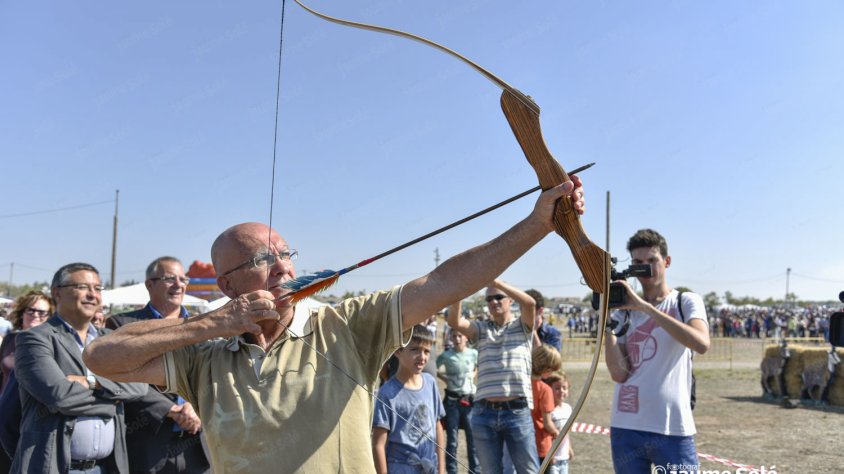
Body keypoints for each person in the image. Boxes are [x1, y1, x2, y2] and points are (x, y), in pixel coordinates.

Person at [83, 177, 585, 473]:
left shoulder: (346, 324)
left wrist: (538, 223)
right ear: (229, 283)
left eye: (286, 255)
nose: (283, 268)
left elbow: (441, 282)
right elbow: (100, 357)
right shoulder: (204, 352)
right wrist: (216, 323)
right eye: (263, 259)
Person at [13, 263, 148, 473]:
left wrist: (90, 382)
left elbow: (140, 388)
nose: (93, 295)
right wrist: (115, 401)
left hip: (105, 467)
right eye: (83, 287)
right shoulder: (34, 339)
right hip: (55, 466)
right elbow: (60, 396)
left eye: (98, 288)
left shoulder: (110, 341)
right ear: (57, 292)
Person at [603, 229, 710, 474]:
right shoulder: (624, 312)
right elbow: (619, 374)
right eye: (638, 263)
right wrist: (607, 321)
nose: (646, 269)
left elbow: (701, 343)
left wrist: (646, 307)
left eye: (652, 261)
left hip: (672, 426)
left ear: (667, 261)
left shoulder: (685, 301)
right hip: (627, 424)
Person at [106, 257, 210, 474]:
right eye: (170, 278)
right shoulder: (122, 325)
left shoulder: (204, 326)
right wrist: (171, 410)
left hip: (198, 444)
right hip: (148, 445)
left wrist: (195, 405)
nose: (179, 284)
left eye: (183, 279)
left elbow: (213, 373)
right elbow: (118, 378)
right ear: (149, 284)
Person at [447, 280, 540, 474]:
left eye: (499, 297)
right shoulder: (481, 329)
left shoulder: (523, 325)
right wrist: (460, 290)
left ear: (510, 300)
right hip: (484, 413)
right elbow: (454, 321)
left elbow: (530, 303)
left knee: (528, 471)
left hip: (516, 412)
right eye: (489, 298)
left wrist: (496, 281)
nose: (494, 302)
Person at [372, 325, 445, 474]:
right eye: (415, 350)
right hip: (401, 468)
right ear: (398, 350)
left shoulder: (430, 383)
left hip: (430, 467)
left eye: (426, 351)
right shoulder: (387, 393)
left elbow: (438, 427)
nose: (422, 357)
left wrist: (442, 469)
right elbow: (378, 445)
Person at [0, 291, 54, 472]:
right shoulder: (9, 339)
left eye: (42, 312)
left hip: (29, 416)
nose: (36, 315)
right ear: (22, 312)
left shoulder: (50, 343)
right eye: (31, 310)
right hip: (5, 410)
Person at [436, 326, 479, 474]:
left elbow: (478, 366)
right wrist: (445, 379)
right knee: (452, 440)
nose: (457, 339)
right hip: (452, 402)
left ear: (466, 337)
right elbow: (434, 368)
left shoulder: (474, 353)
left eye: (460, 336)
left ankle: (475, 470)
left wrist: (472, 376)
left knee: (472, 440)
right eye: (454, 336)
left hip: (470, 401)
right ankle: (452, 470)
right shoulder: (447, 355)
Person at [530, 345, 561, 466]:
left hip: (523, 444)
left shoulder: (523, 384)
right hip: (541, 444)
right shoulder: (545, 390)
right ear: (546, 368)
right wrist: (557, 433)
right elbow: (547, 423)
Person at [542, 372, 573, 474]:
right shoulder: (549, 411)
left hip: (564, 457)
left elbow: (566, 433)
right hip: (552, 458)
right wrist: (549, 454)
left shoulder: (568, 409)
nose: (561, 391)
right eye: (557, 388)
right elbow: (546, 434)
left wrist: (569, 448)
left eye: (564, 388)